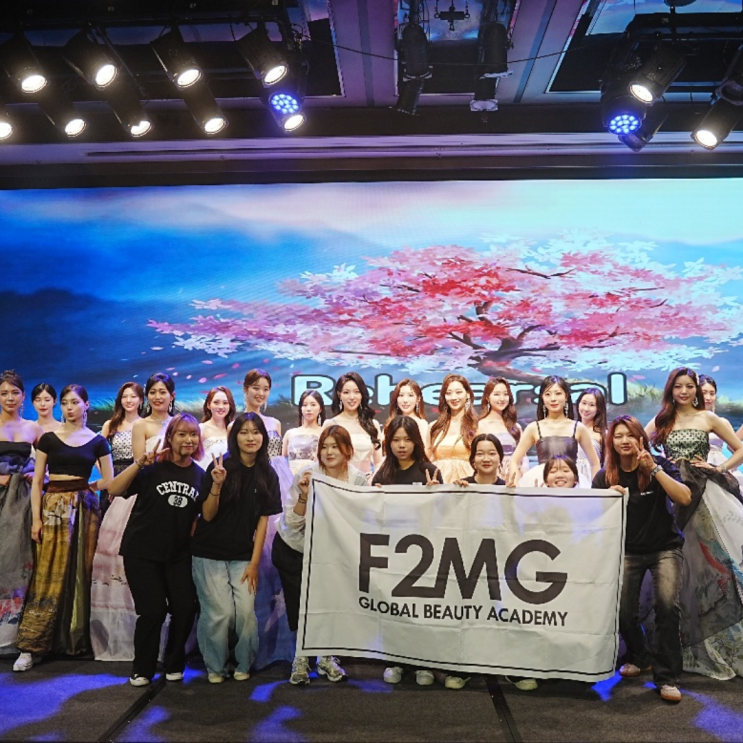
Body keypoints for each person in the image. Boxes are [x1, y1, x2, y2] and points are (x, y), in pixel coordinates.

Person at [646, 367, 743, 680]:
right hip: (673, 494)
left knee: (713, 564)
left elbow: (740, 449)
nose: (684, 391)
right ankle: (676, 644)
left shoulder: (709, 418)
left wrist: (719, 468)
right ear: (671, 389)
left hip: (704, 493)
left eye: (689, 386)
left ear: (697, 390)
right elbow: (638, 443)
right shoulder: (663, 419)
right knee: (676, 567)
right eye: (679, 386)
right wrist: (658, 467)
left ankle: (717, 639)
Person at [14, 384, 113, 671]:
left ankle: (75, 640)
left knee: (81, 571)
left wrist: (87, 487)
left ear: (86, 405)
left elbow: (109, 479)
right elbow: (37, 482)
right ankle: (31, 645)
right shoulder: (48, 439)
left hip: (85, 509)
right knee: (48, 572)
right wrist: (36, 519)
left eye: (75, 402)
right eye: (66, 403)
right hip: (53, 507)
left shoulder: (97, 441)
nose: (69, 408)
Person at [594, 415, 691, 703]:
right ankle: (640, 655)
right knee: (623, 611)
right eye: (618, 436)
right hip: (626, 550)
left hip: (665, 548)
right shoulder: (604, 476)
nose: (624, 441)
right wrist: (606, 500)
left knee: (667, 606)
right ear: (611, 442)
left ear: (641, 439)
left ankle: (667, 678)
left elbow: (684, 498)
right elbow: (591, 518)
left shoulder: (659, 465)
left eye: (630, 435)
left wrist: (655, 470)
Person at [108, 413, 204, 686]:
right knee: (153, 611)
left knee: (185, 608)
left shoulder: (201, 475)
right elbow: (114, 488)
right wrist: (139, 463)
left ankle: (174, 662)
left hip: (178, 554)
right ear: (170, 437)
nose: (188, 440)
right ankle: (142, 668)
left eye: (193, 434)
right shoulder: (153, 467)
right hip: (142, 551)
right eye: (182, 434)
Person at [272, 425, 367, 685]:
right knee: (301, 606)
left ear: (348, 450)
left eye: (335, 446)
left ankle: (326, 658)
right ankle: (301, 659)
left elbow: (362, 519)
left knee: (331, 603)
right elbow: (292, 522)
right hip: (295, 549)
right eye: (324, 447)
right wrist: (304, 495)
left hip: (332, 553)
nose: (328, 452)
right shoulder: (307, 474)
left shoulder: (357, 479)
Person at [91, 373, 175, 662]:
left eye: (162, 391)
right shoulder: (141, 425)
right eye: (153, 392)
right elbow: (143, 465)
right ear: (147, 396)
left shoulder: (180, 423)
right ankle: (129, 637)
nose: (158, 397)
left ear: (172, 395)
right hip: (144, 497)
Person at [192, 412, 282, 683]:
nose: (250, 437)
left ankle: (244, 663)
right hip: (209, 552)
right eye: (244, 432)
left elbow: (263, 522)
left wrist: (254, 564)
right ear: (235, 437)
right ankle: (216, 666)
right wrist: (217, 485)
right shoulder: (220, 466)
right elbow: (207, 515)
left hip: (243, 555)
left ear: (263, 437)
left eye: (256, 432)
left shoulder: (268, 473)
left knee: (245, 614)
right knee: (220, 614)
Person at [372, 416, 440, 687]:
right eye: (396, 440)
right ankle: (395, 660)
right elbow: (371, 515)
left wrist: (438, 496)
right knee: (395, 609)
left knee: (422, 610)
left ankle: (424, 662)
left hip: (424, 553)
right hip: (392, 552)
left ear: (416, 442)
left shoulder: (429, 471)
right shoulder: (383, 474)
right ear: (388, 443)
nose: (401, 445)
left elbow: (445, 516)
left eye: (407, 440)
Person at [90, 382, 144, 661]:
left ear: (141, 400)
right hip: (114, 488)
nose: (129, 400)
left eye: (134, 396)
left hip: (137, 484)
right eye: (125, 396)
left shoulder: (143, 425)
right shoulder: (110, 425)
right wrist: (108, 479)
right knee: (109, 546)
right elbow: (97, 453)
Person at [0, 371, 43, 653]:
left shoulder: (33, 428)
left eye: (14, 393)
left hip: (22, 501)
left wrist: (38, 475)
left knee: (18, 559)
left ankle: (13, 636)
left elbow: (50, 462)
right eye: (4, 393)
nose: (9, 398)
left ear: (23, 396)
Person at [506, 376, 600, 489]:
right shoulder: (534, 428)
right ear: (542, 398)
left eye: (558, 393)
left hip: (570, 482)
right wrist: (515, 484)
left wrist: (596, 491)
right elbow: (515, 460)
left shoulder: (578, 428)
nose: (553, 399)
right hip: (541, 482)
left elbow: (595, 463)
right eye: (548, 394)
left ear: (566, 396)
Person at [324, 372, 382, 476]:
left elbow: (378, 463)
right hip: (339, 481)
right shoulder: (330, 424)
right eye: (346, 392)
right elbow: (322, 460)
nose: (352, 397)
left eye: (356, 392)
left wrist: (372, 479)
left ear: (362, 395)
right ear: (339, 395)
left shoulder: (373, 425)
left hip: (367, 481)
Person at [429, 374, 478, 483]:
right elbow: (426, 460)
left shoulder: (477, 426)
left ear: (468, 394)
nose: (453, 397)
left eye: (458, 392)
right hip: (439, 485)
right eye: (448, 393)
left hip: (467, 485)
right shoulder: (434, 427)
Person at [477, 377, 528, 480]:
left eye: (505, 394)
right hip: (491, 477)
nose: (502, 399)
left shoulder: (516, 427)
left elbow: (524, 456)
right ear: (487, 397)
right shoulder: (480, 426)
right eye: (496, 394)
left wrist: (524, 473)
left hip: (515, 477)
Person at [698, 375, 743, 487]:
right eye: (704, 393)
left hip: (719, 466)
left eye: (712, 393)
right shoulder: (684, 421)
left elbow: (738, 450)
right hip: (695, 467)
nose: (708, 397)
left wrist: (725, 468)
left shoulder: (722, 422)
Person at [283, 390, 325, 475]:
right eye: (305, 405)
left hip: (315, 477)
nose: (308, 409)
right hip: (291, 478)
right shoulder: (290, 433)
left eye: (313, 405)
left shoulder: (324, 433)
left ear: (320, 409)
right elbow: (281, 461)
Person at [384, 378, 430, 450]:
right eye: (401, 395)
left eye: (410, 395)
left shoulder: (421, 424)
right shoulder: (390, 423)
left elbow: (426, 451)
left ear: (418, 399)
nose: (405, 400)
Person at [197, 386, 236, 469]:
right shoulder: (201, 429)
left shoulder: (234, 429)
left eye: (225, 403)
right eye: (216, 402)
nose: (221, 407)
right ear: (208, 405)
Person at [575, 387, 606, 485]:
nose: (586, 409)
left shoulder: (603, 434)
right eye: (583, 403)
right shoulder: (570, 429)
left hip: (592, 478)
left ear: (599, 409)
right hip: (571, 478)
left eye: (592, 405)